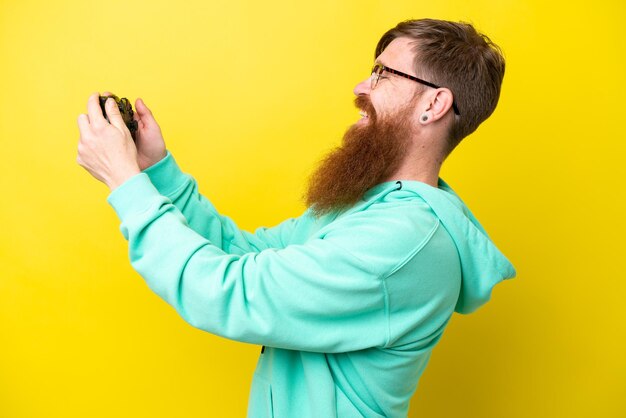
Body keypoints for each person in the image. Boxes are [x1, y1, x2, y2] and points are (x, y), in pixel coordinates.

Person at [77, 18, 516, 418]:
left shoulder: (404, 241)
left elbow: (232, 293)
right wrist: (156, 171)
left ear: (435, 104)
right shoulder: (370, 209)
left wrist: (125, 183)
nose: (362, 86)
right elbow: (242, 254)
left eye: (383, 73)